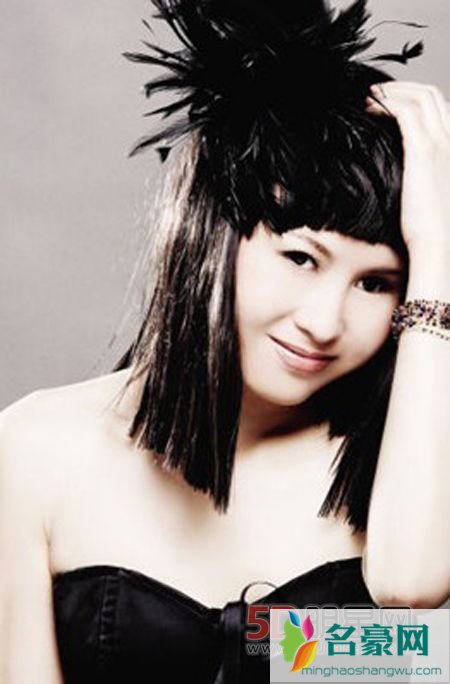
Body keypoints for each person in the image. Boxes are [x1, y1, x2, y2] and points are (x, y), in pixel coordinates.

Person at [1, 0, 449, 682]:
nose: (324, 322)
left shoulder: (410, 462)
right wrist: (285, 647)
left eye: (376, 283)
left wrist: (439, 245)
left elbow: (409, 593)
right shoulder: (35, 449)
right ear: (212, 233)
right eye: (301, 258)